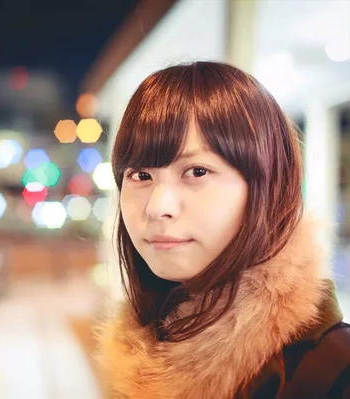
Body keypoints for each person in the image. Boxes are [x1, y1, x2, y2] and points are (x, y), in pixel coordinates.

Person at [97, 61, 350, 399]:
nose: (157, 207)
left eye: (197, 171)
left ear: (267, 188)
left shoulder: (331, 371)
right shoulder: (144, 346)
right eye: (141, 176)